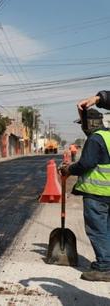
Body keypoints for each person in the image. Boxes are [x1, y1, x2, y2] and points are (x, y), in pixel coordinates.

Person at [60, 108, 110, 282]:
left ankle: (104, 268)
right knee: (107, 229)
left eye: (82, 123)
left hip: (98, 193)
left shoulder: (95, 138)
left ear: (89, 123)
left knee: (98, 230)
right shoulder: (108, 136)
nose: (82, 127)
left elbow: (87, 163)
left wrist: (69, 169)